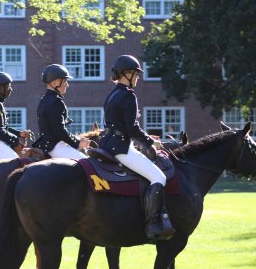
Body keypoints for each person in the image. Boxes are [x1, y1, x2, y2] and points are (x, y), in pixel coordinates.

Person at [99, 55, 174, 240]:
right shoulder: (128, 95)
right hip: (121, 148)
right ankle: (152, 225)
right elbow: (132, 128)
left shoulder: (112, 94)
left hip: (107, 144)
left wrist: (146, 138)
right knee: (159, 176)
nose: (138, 78)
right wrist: (150, 142)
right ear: (127, 73)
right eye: (136, 74)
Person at [32, 64, 90, 159]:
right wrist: (78, 143)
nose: (67, 84)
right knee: (87, 163)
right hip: (54, 145)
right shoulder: (56, 102)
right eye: (65, 81)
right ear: (55, 83)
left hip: (46, 143)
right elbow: (60, 131)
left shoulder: (44, 100)